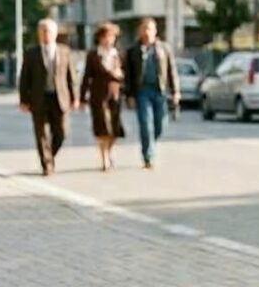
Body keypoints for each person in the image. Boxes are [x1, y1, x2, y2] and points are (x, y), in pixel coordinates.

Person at [18, 18, 78, 175]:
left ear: (55, 33)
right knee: (41, 133)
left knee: (62, 132)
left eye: (49, 31)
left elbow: (71, 77)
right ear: (39, 34)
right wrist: (24, 100)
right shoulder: (31, 53)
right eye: (43, 31)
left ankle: (49, 155)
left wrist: (75, 97)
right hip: (39, 99)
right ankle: (47, 164)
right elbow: (25, 78)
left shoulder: (64, 51)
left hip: (60, 98)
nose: (46, 34)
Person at [124, 17, 180, 169]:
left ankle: (150, 143)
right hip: (142, 92)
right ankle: (148, 156)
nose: (147, 32)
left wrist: (175, 91)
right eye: (144, 29)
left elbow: (171, 71)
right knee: (145, 124)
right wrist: (129, 95)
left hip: (160, 91)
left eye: (150, 29)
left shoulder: (164, 48)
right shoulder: (133, 51)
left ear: (155, 31)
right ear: (140, 31)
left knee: (160, 124)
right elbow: (128, 75)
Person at [80, 22, 126, 171]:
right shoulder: (93, 55)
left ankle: (109, 152)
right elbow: (86, 77)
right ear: (99, 38)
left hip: (115, 95)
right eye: (105, 37)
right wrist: (81, 98)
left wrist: (121, 77)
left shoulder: (118, 54)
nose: (108, 40)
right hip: (98, 96)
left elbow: (126, 75)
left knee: (115, 130)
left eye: (111, 37)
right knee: (103, 128)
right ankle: (104, 159)